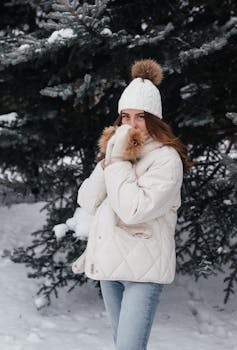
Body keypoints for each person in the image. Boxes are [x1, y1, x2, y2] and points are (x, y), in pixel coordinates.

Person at [72, 59, 192, 350]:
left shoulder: (166, 159)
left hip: (143, 272)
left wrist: (119, 160)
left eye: (140, 116)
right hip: (110, 266)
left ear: (154, 119)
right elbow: (87, 200)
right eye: (125, 116)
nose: (131, 125)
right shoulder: (114, 153)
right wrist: (110, 157)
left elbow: (133, 210)